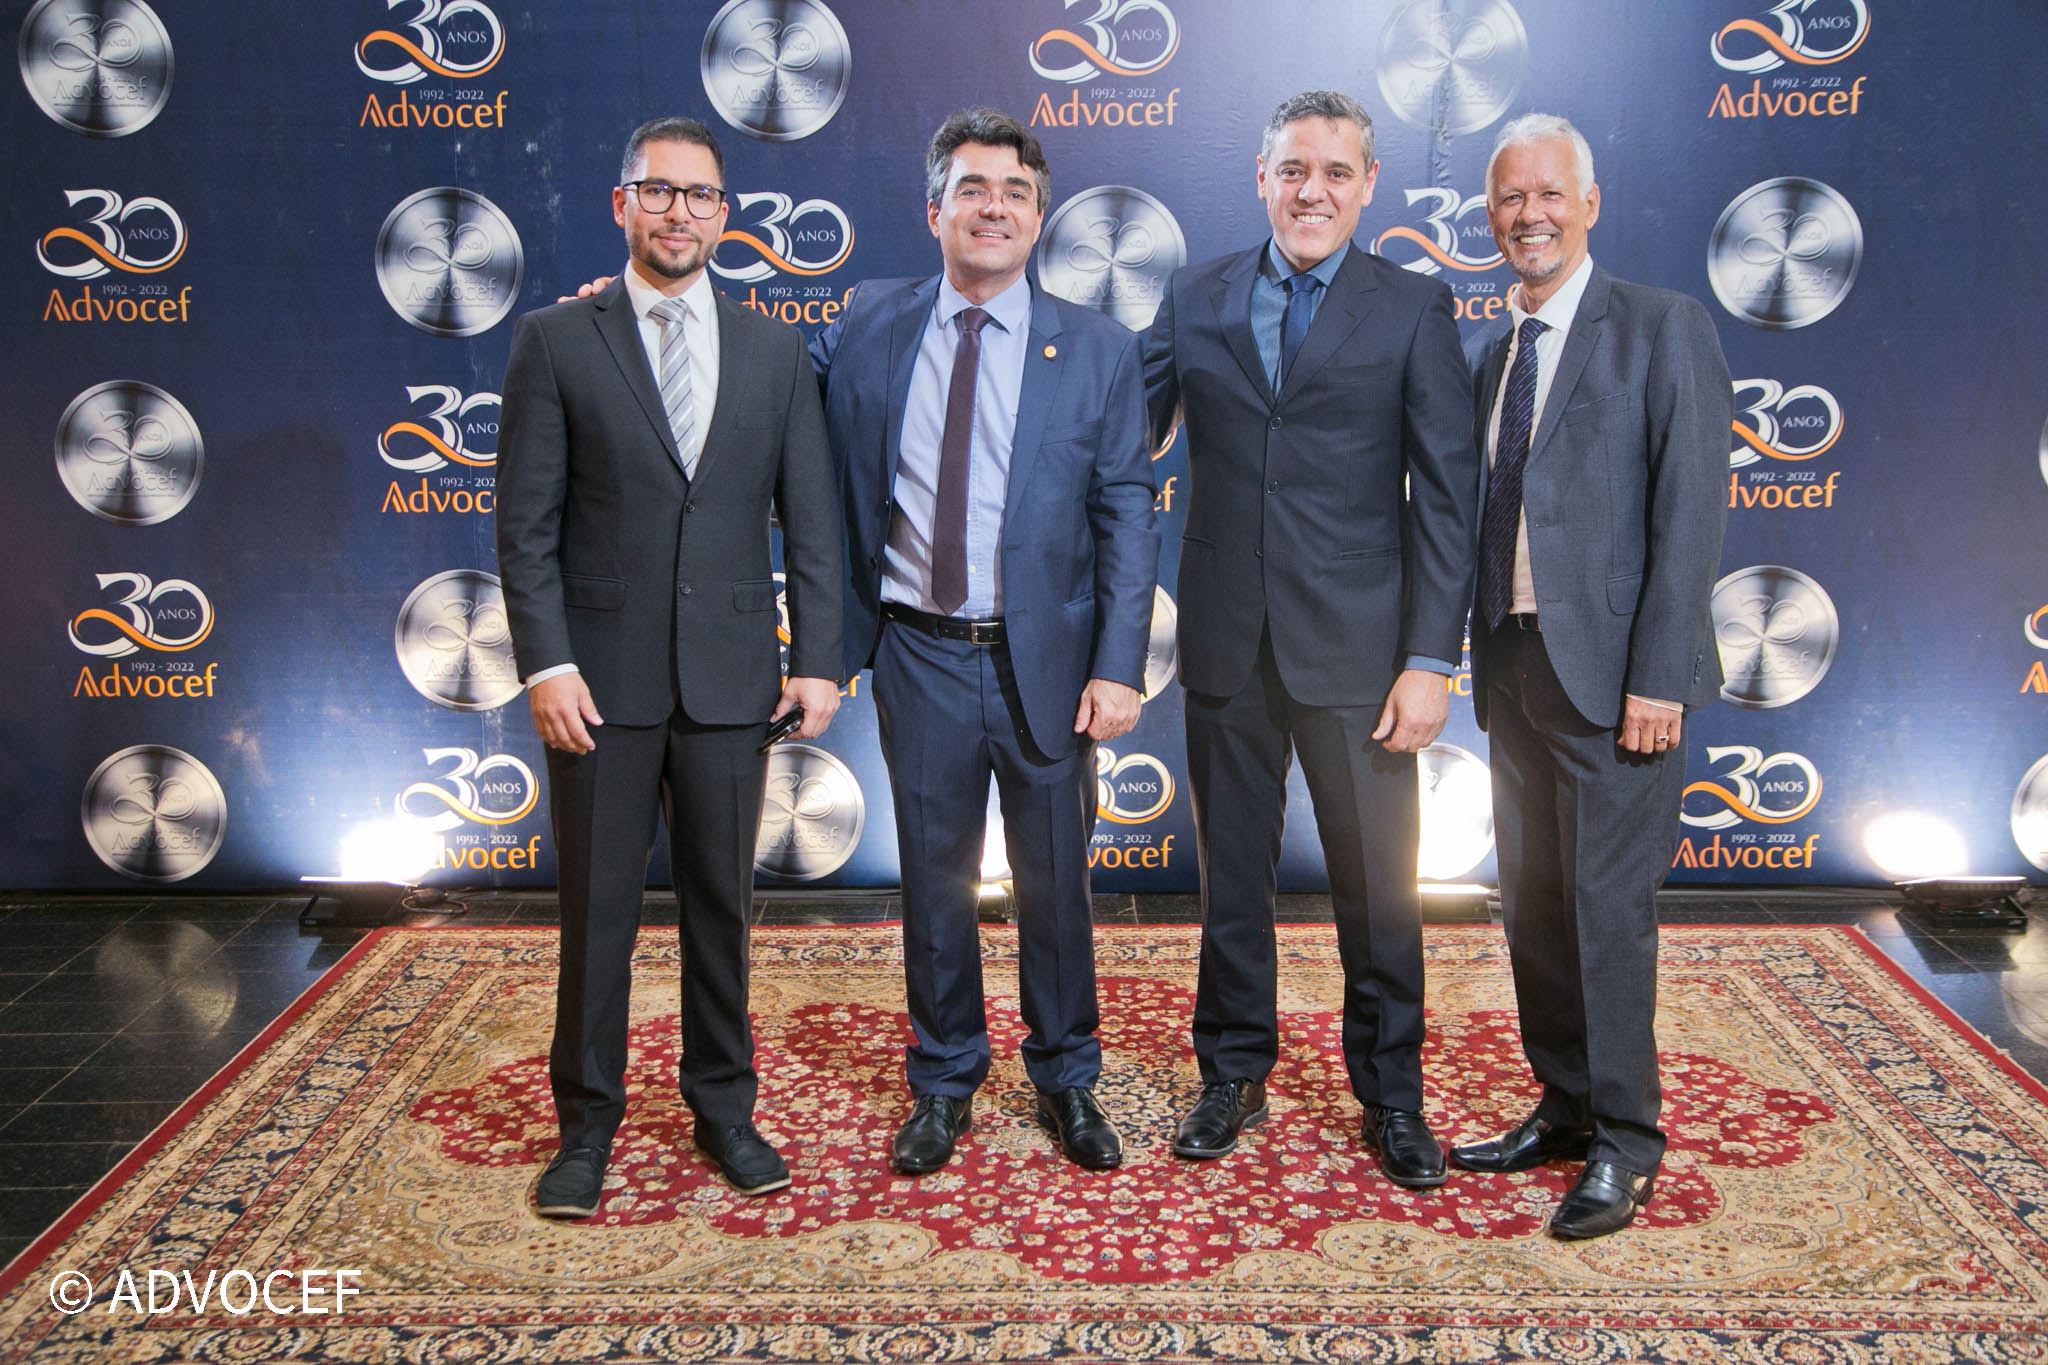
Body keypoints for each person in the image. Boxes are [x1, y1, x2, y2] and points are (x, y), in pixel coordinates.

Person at [496, 115, 843, 1215]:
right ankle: (586, 1126)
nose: (678, 212)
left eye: (699, 195)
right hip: (596, 686)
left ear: (724, 215)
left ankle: (724, 1109)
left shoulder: (776, 350)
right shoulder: (557, 340)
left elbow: (813, 519)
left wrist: (820, 658)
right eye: (658, 191)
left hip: (733, 681)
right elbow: (524, 529)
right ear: (622, 204)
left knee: (721, 910)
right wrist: (546, 664)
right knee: (596, 914)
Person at [810, 108, 1160, 1174]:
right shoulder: (866, 322)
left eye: (1015, 191)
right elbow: (756, 375)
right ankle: (944, 1076)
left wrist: (1118, 664)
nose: (993, 207)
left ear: (1040, 217)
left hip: (1044, 662)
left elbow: (1127, 513)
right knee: (933, 879)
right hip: (916, 651)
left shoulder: (1097, 348)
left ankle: (1066, 1075)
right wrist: (641, 319)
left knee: (1054, 884)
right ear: (934, 212)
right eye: (971, 188)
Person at [1142, 90, 1478, 1186]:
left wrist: (1430, 658)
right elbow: (1115, 430)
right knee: (1230, 881)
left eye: (1335, 171)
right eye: (1292, 169)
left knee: (1380, 889)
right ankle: (1231, 1071)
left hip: (1363, 656)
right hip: (1226, 642)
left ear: (1369, 185)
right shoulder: (1193, 296)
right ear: (1260, 178)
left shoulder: (1414, 307)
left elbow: (1448, 497)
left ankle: (1392, 1094)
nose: (1312, 191)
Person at [1447, 114, 1731, 1239]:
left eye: (1549, 194)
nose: (1529, 215)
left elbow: (1689, 512)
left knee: (1606, 913)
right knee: (1533, 907)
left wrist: (1659, 676)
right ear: (1489, 216)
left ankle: (1625, 1140)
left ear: (1590, 204)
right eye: (1510, 199)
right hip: (1513, 666)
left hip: (1617, 683)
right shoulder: (1494, 352)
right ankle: (1564, 1106)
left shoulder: (1660, 326)